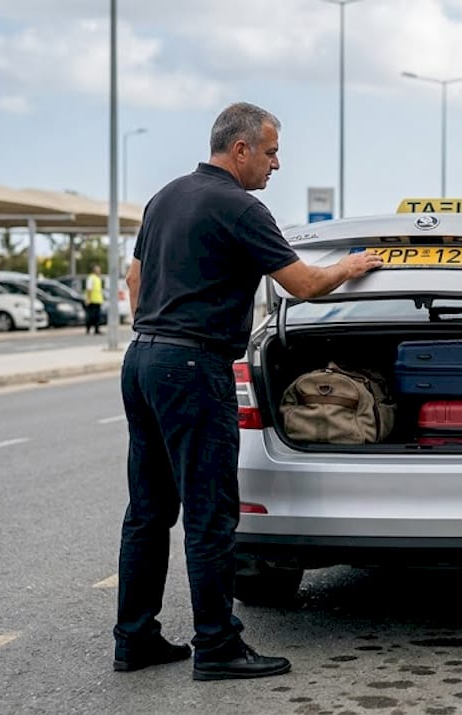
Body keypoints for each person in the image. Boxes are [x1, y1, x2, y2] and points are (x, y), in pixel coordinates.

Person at [114, 102, 384, 681]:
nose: (276, 164)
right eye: (270, 151)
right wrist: (353, 264)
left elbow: (135, 279)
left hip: (143, 359)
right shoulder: (240, 207)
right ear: (240, 150)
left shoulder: (167, 196)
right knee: (211, 514)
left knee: (149, 509)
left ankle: (134, 639)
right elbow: (305, 285)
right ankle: (217, 647)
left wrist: (159, 332)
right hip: (192, 365)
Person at [84, 264, 105, 335]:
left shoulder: (98, 278)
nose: (99, 271)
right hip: (92, 301)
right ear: (94, 270)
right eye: (98, 269)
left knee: (97, 316)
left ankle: (97, 330)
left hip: (98, 300)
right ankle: (88, 329)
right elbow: (89, 289)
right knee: (91, 316)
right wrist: (88, 299)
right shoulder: (91, 278)